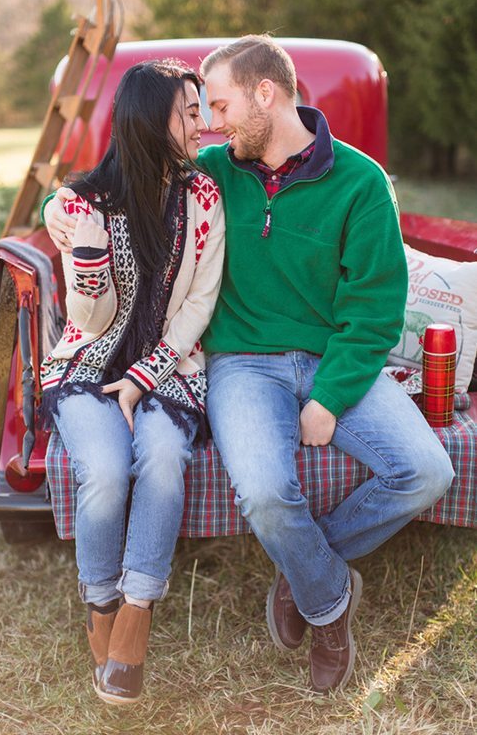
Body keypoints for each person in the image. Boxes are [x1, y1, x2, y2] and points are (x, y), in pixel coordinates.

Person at [43, 35, 454, 694]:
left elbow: (375, 308)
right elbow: (118, 176)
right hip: (243, 366)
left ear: (267, 95)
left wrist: (330, 398)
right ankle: (329, 605)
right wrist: (55, 212)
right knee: (264, 492)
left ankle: (305, 574)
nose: (211, 119)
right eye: (203, 108)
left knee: (428, 470)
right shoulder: (209, 171)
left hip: (330, 360)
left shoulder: (361, 182)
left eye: (223, 103)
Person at [39, 59, 224, 705]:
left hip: (170, 369)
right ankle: (101, 603)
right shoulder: (86, 202)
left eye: (202, 110)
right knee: (108, 471)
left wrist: (145, 377)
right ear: (151, 119)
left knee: (165, 457)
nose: (202, 124)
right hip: (87, 368)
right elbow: (86, 318)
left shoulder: (203, 197)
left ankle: (139, 608)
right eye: (190, 111)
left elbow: (200, 302)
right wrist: (86, 258)